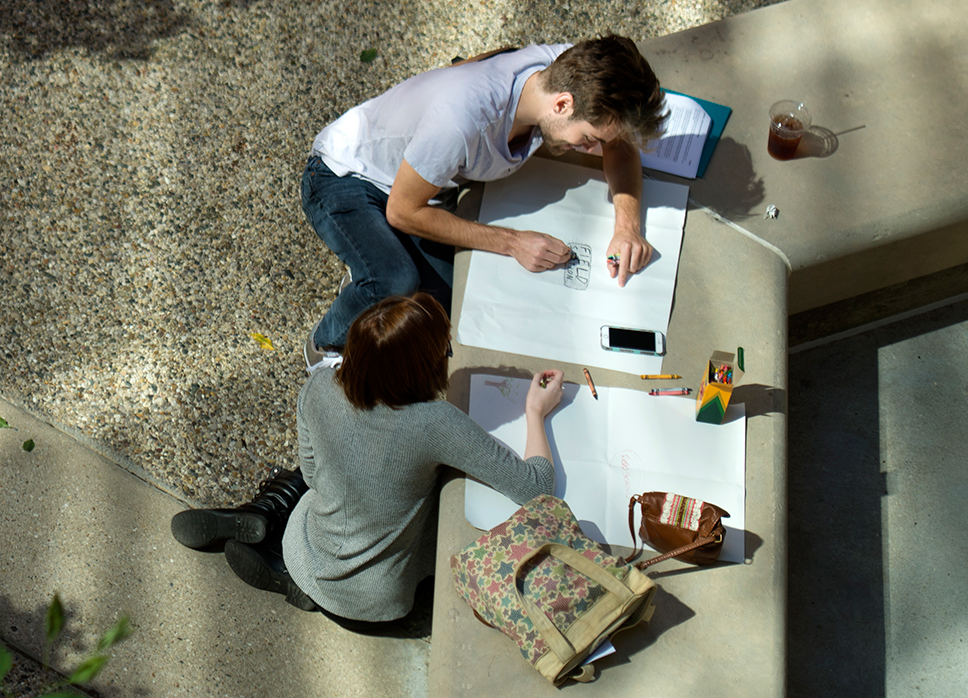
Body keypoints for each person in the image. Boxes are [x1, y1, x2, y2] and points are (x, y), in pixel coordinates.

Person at [171, 293, 562, 622]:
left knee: (321, 476)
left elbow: (311, 474)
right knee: (440, 482)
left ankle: (268, 513)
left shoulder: (318, 387)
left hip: (308, 551)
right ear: (423, 368)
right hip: (382, 602)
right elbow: (537, 487)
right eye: (445, 351)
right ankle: (286, 557)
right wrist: (535, 412)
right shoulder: (436, 423)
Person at [303, 35, 667, 357]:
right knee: (395, 280)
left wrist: (628, 227)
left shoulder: (569, 72)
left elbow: (620, 145)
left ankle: (373, 256)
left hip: (418, 183)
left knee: (448, 312)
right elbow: (401, 211)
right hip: (345, 177)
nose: (595, 149)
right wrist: (512, 243)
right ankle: (326, 344)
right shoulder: (461, 122)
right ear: (562, 105)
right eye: (590, 139)